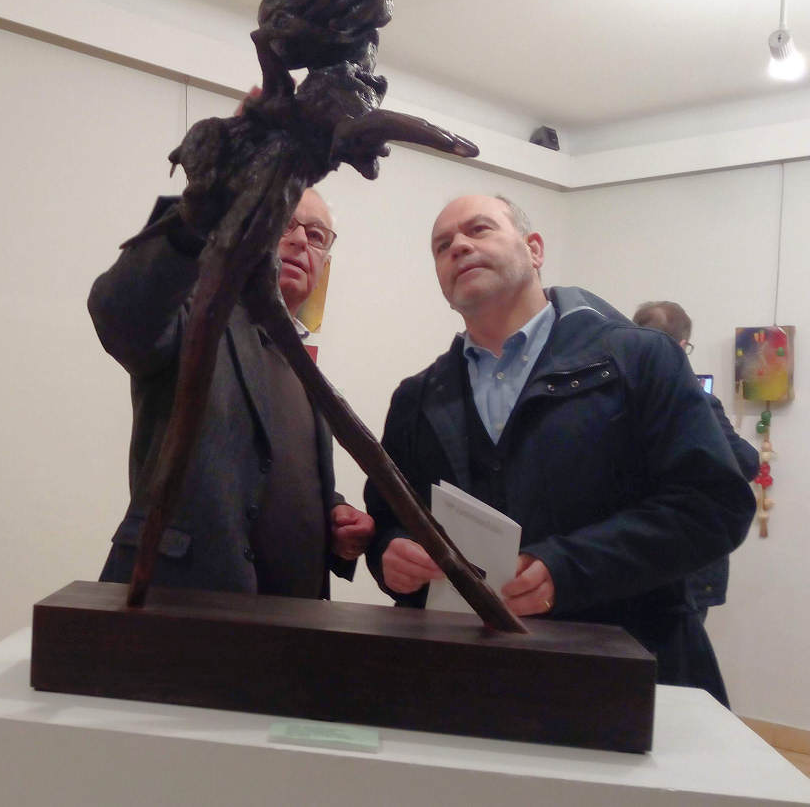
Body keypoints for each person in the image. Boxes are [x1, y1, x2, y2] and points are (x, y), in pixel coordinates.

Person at [363, 194, 754, 705]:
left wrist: (568, 569)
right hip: (468, 680)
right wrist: (389, 555)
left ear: (534, 249)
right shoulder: (416, 399)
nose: (458, 246)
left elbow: (713, 507)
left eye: (478, 229)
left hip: (626, 675)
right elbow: (387, 518)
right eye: (442, 245)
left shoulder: (640, 361)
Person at [91, 187, 374, 599]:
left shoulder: (306, 369)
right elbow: (123, 316)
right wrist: (197, 213)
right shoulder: (197, 317)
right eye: (284, 223)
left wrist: (334, 513)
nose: (300, 240)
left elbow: (270, 472)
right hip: (177, 613)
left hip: (296, 624)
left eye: (316, 235)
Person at [632, 300, 759, 620]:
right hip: (684, 558)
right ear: (682, 346)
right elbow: (745, 463)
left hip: (627, 553)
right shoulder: (696, 399)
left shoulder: (614, 395)